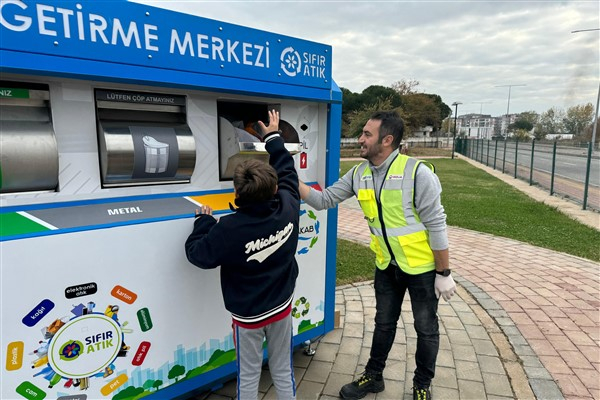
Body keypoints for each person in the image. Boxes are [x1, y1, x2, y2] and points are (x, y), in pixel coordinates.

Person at [299, 111, 456, 400]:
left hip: (422, 269)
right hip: (386, 266)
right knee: (383, 323)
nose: (360, 138)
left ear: (387, 140)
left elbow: (436, 224)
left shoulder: (417, 173)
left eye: (366, 134)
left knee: (425, 329)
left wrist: (444, 273)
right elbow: (324, 200)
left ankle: (422, 385)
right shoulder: (359, 174)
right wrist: (287, 178)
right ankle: (373, 377)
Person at [185, 110, 299, 400]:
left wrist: (203, 222)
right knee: (282, 370)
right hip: (281, 307)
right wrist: (273, 137)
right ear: (274, 189)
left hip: (248, 318)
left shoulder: (229, 229)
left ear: (236, 194)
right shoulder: (287, 206)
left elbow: (198, 254)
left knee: (248, 375)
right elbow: (287, 171)